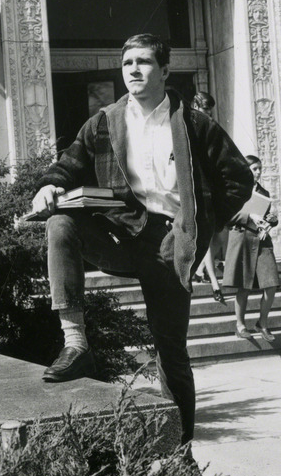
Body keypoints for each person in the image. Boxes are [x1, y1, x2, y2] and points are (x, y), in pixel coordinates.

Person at [30, 33, 254, 445]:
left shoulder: (194, 123)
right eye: (127, 62)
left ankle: (180, 456)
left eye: (144, 62)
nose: (133, 69)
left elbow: (239, 178)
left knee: (171, 353)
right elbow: (68, 164)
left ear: (165, 71)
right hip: (119, 233)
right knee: (59, 223)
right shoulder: (105, 121)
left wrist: (200, 226)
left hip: (170, 240)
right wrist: (48, 185)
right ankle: (76, 343)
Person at [221, 155, 280, 342]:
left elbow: (269, 216)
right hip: (243, 240)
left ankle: (262, 323)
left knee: (271, 284)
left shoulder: (264, 192)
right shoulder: (235, 189)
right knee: (244, 285)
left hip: (262, 241)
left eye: (260, 168)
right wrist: (250, 217)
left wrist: (271, 220)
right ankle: (240, 325)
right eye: (254, 169)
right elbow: (227, 216)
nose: (258, 172)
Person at [190, 91, 227, 305]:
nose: (209, 115)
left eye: (210, 111)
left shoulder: (210, 128)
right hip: (197, 191)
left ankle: (201, 269)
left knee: (218, 238)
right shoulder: (188, 127)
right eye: (205, 110)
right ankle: (215, 284)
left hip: (212, 189)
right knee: (207, 238)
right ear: (196, 106)